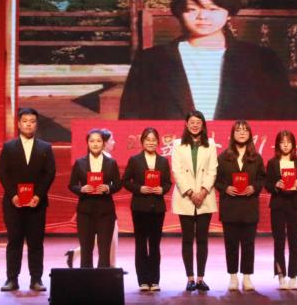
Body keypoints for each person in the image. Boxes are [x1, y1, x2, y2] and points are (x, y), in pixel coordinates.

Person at [120, 0, 291, 121]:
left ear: (229, 14)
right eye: (192, 9)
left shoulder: (261, 59)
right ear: (179, 14)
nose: (202, 16)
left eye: (213, 9)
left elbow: (281, 111)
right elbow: (131, 114)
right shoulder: (151, 60)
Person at [0, 107, 56, 292]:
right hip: (13, 203)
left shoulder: (45, 147)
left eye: (32, 121)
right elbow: (3, 173)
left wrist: (38, 195)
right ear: (18, 124)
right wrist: (13, 195)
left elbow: (49, 173)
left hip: (37, 204)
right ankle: (11, 279)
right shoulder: (9, 147)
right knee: (14, 241)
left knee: (36, 242)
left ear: (36, 125)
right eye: (25, 121)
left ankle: (36, 279)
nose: (28, 124)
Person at [215, 120, 265, 292]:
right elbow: (217, 180)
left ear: (250, 134)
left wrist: (254, 187)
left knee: (248, 244)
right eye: (238, 130)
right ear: (233, 134)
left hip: (249, 207)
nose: (242, 133)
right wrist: (226, 188)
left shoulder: (256, 157)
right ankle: (233, 277)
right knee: (231, 244)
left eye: (245, 130)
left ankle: (247, 277)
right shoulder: (223, 157)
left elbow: (262, 179)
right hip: (230, 207)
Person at [171, 110, 218, 292]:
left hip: (205, 197)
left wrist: (203, 191)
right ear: (186, 124)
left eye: (198, 122)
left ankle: (200, 279)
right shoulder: (178, 144)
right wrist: (191, 193)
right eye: (192, 122)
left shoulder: (211, 144)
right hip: (186, 197)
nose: (195, 125)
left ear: (203, 125)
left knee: (202, 239)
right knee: (187, 239)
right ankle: (190, 278)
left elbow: (213, 170)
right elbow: (177, 171)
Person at [121, 127, 172, 292]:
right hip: (140, 207)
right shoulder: (134, 160)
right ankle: (143, 280)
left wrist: (162, 189)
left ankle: (154, 280)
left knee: (155, 245)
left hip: (157, 208)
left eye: (153, 140)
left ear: (158, 142)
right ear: (142, 142)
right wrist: (139, 188)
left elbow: (168, 183)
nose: (151, 142)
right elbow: (125, 181)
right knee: (141, 244)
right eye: (147, 140)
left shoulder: (163, 161)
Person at [69, 128, 122, 268]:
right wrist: (81, 189)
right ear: (87, 143)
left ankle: (102, 280)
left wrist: (108, 188)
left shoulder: (111, 163)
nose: (95, 144)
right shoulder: (80, 163)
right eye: (92, 141)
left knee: (104, 251)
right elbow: (72, 185)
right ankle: (86, 280)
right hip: (85, 212)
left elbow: (118, 185)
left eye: (98, 141)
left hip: (106, 212)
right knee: (86, 250)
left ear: (103, 143)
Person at [264, 129, 297, 290]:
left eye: (288, 142)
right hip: (278, 205)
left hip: (295, 205)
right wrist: (275, 185)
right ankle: (281, 275)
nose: (286, 145)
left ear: (293, 145)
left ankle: (293, 276)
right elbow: (267, 184)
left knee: (295, 242)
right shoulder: (272, 163)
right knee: (279, 242)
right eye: (282, 142)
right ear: (277, 145)